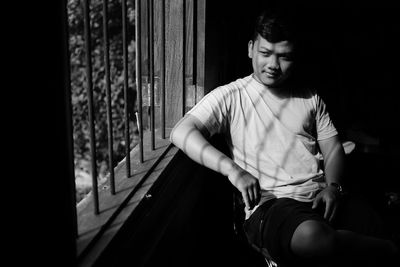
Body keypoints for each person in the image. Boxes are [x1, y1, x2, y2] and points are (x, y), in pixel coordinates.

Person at [170, 8, 399, 267]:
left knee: (376, 223)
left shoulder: (309, 96)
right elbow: (181, 132)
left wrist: (333, 188)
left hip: (320, 197)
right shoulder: (231, 96)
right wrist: (232, 170)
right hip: (270, 204)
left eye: (284, 57)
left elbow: (333, 148)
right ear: (250, 49)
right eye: (265, 53)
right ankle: (386, 250)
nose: (273, 66)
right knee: (314, 238)